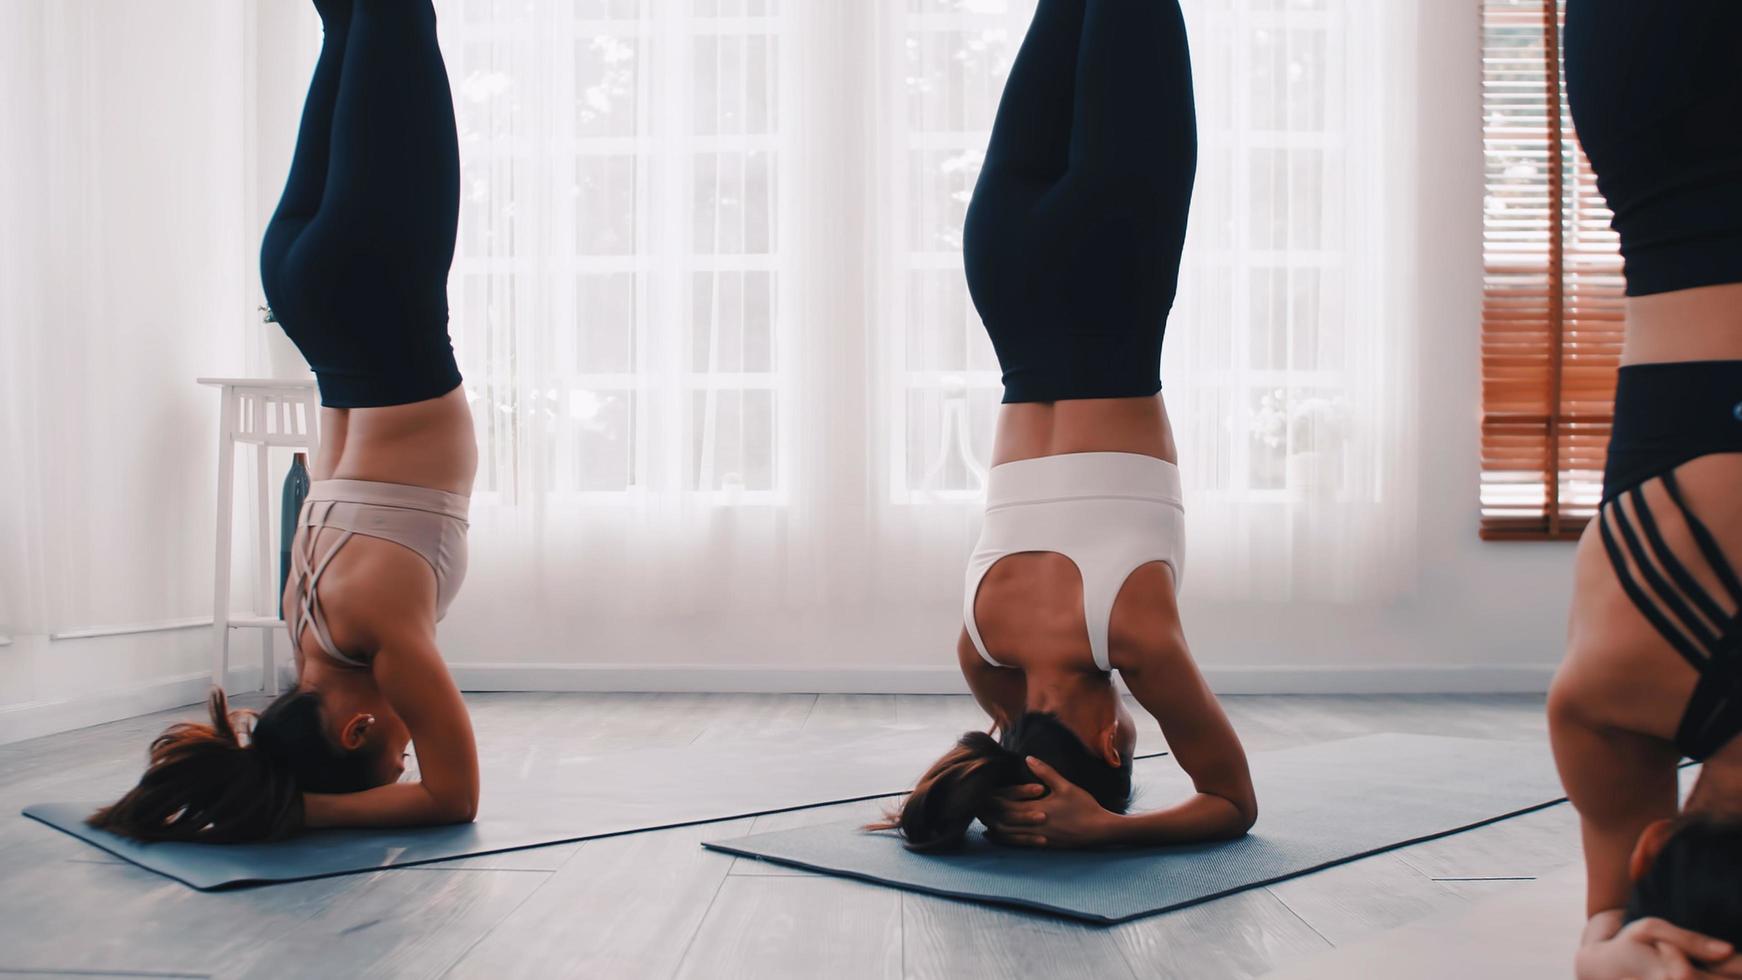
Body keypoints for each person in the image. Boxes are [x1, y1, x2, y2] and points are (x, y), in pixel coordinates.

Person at [91, 0, 479, 842]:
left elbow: (455, 799)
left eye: (393, 756)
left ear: (358, 730)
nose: (408, 754)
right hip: (304, 292)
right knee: (347, 22)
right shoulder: (301, 617)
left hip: (380, 293)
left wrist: (297, 810)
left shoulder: (385, 639)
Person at [876, 0, 1256, 851]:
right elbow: (1012, 730)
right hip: (1002, 266)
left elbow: (1234, 804)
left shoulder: (1136, 632)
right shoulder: (981, 646)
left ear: (1113, 739)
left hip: (1111, 258)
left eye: (1128, 743)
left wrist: (1098, 830)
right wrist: (1008, 790)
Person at [1551, 1, 1742, 975]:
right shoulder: (1604, 704)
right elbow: (1604, 917)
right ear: (1654, 847)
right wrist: (1601, 948)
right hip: (1654, 133)